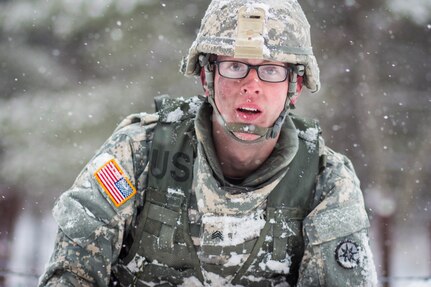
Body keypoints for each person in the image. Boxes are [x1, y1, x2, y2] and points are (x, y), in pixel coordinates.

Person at [39, 0, 377, 286]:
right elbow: (71, 275)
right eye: (234, 66)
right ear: (206, 77)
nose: (251, 85)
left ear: (295, 87)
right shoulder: (137, 152)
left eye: (271, 70)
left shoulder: (326, 181)